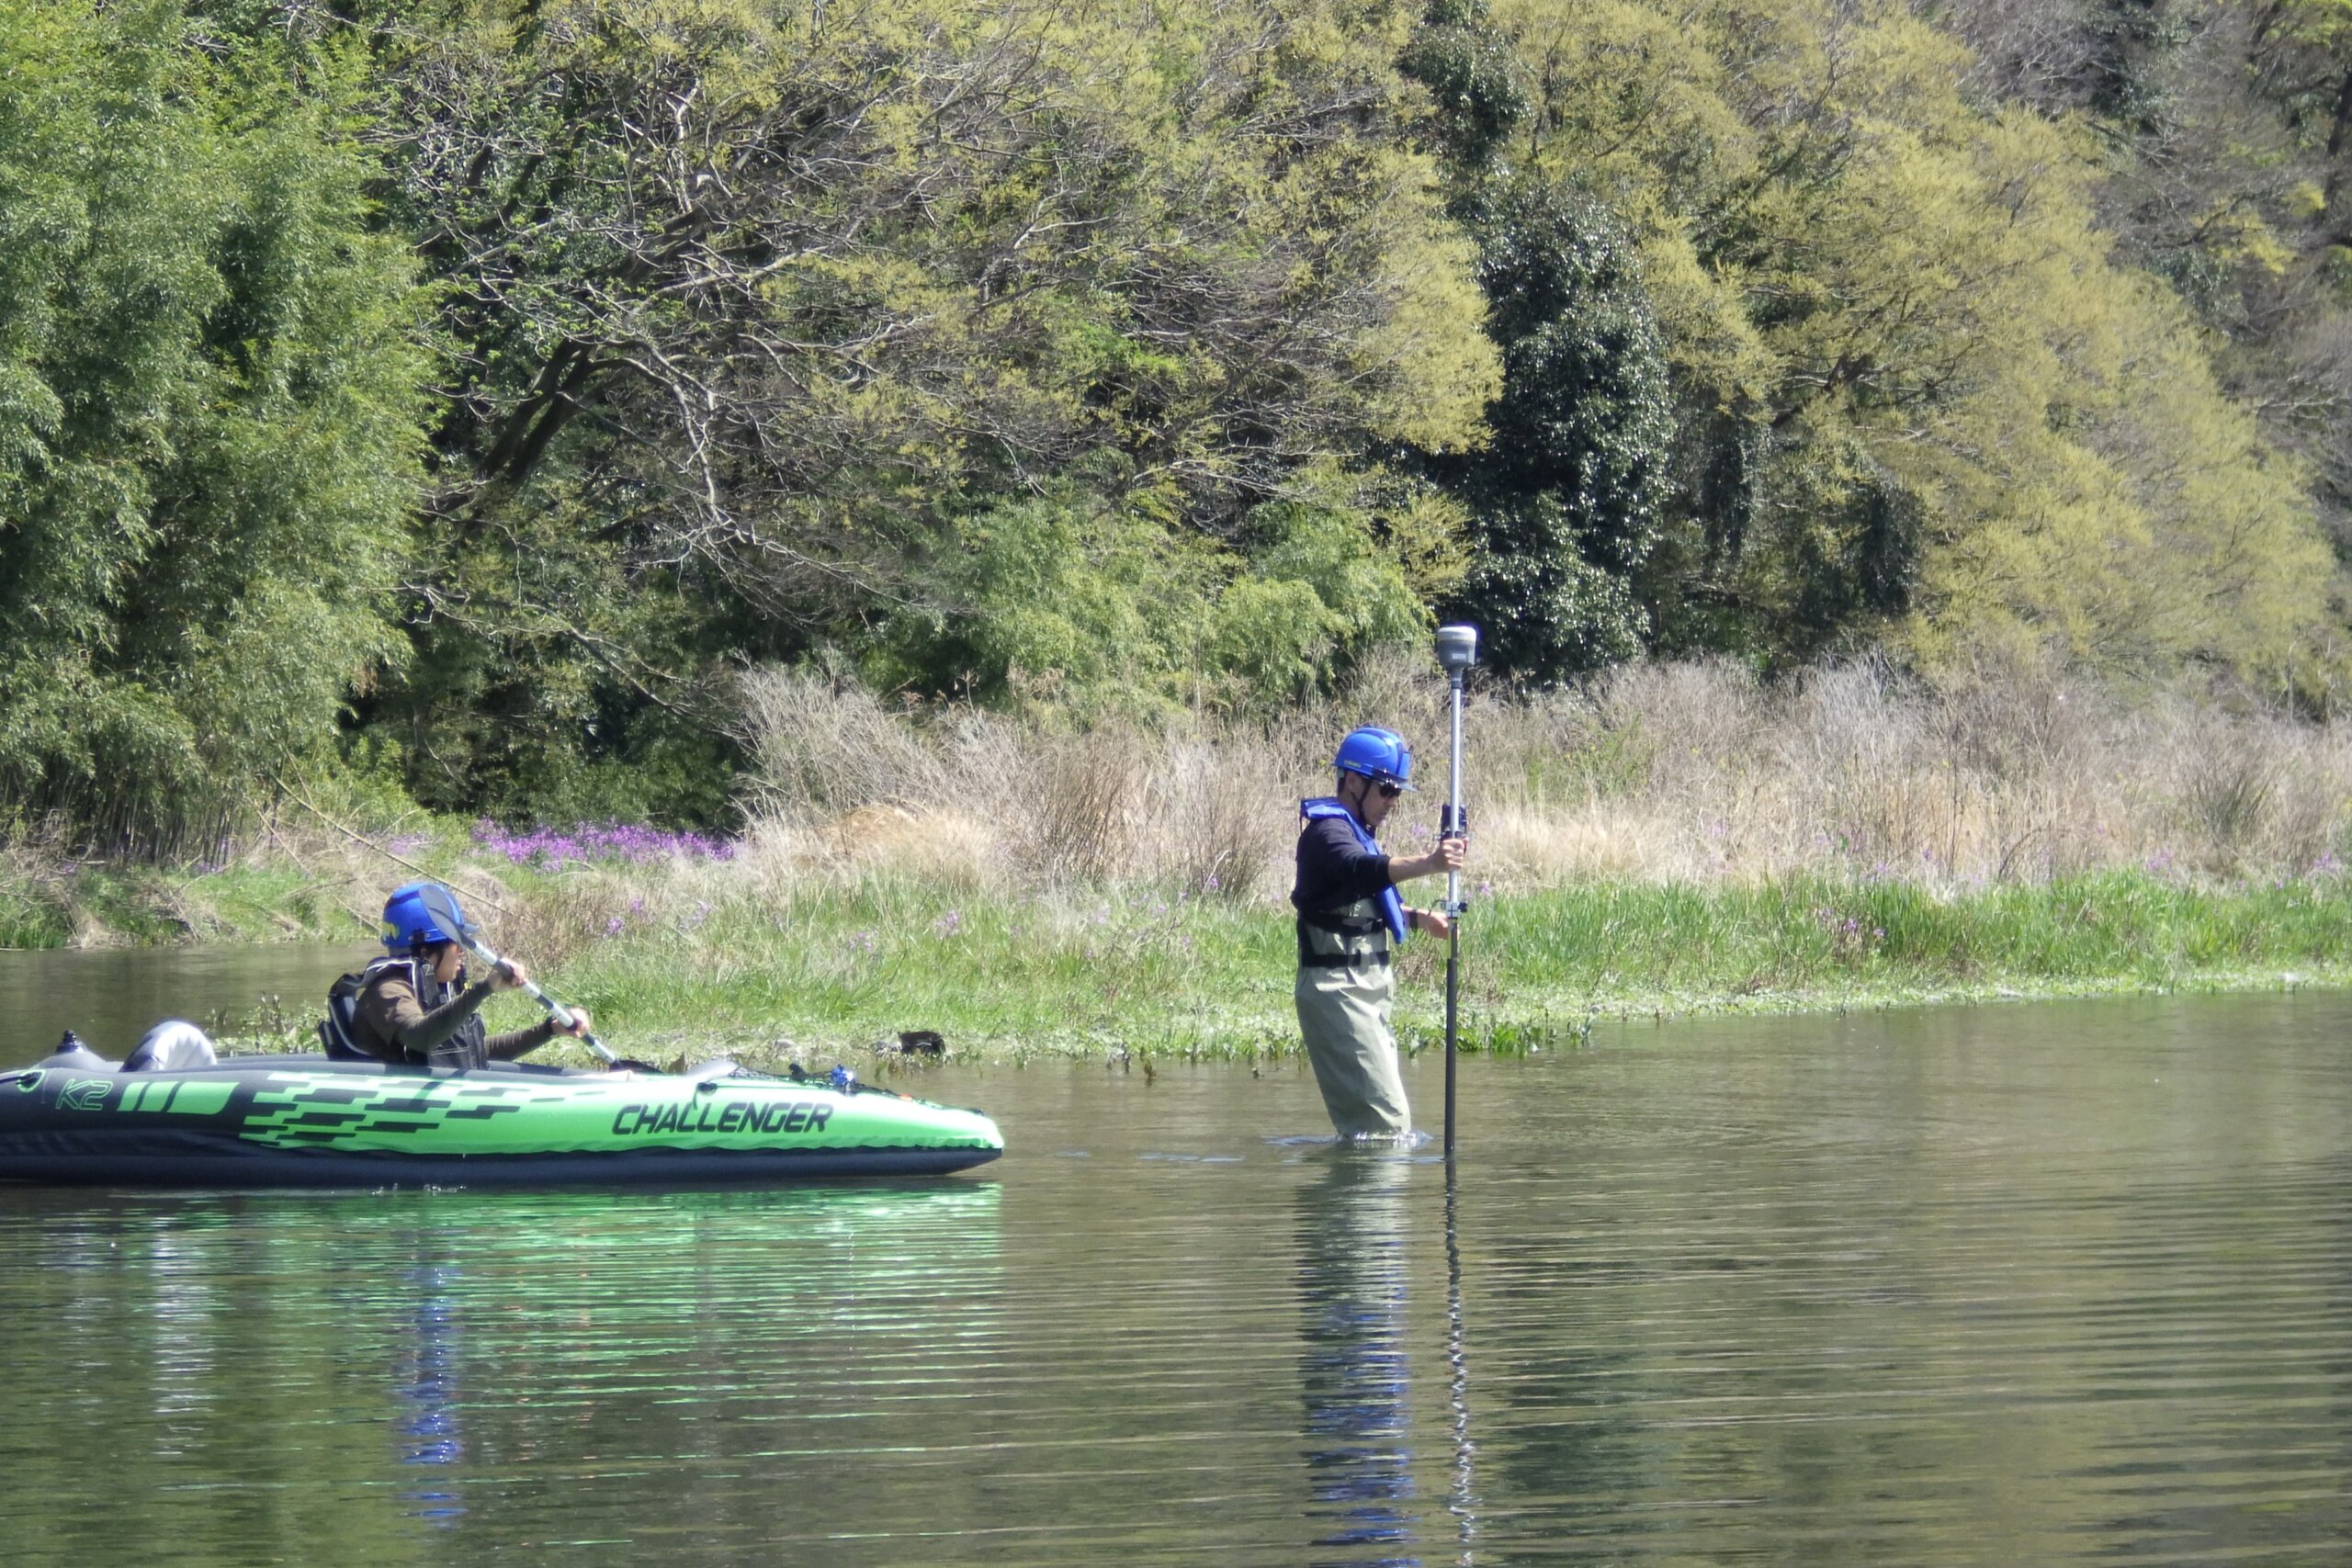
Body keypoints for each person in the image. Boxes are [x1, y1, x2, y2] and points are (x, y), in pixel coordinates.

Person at [1292, 726, 1464, 1138]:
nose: (1393, 802)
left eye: (1397, 793)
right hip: (1339, 995)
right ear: (1352, 780)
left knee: (1379, 1128)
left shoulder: (1356, 834)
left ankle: (1363, 1200)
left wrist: (1420, 918)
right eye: (1387, 789)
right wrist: (1430, 862)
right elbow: (1360, 871)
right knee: (1386, 1128)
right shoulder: (1327, 836)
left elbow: (1356, 910)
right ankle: (1365, 1201)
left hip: (1366, 993)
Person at [322, 882, 591, 1069]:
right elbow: (421, 1037)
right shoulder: (389, 991)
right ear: (426, 951)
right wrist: (486, 987)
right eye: (455, 943)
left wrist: (549, 1030)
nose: (462, 950)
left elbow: (477, 1051)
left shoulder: (434, 988)